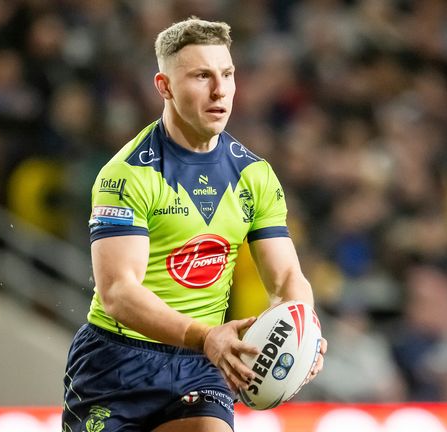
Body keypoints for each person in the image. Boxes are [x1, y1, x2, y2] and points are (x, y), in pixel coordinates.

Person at [62, 17, 326, 432]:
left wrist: (303, 327)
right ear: (164, 86)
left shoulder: (255, 176)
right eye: (202, 76)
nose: (220, 90)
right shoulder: (128, 175)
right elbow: (117, 292)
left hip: (201, 365)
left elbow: (287, 275)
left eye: (228, 74)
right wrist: (205, 336)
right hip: (116, 364)